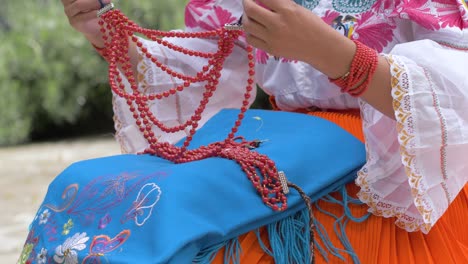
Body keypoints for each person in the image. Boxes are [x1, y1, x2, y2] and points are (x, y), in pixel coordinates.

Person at [20, 0, 467, 263]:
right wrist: (109, 33)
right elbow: (199, 73)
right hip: (279, 146)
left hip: (401, 171)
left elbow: (456, 98)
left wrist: (334, 54)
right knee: (90, 190)